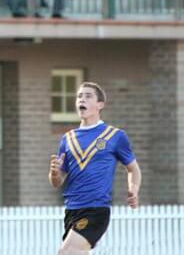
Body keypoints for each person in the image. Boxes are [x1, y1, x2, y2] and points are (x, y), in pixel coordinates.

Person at [49, 82, 142, 255]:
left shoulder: (115, 136)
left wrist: (133, 189)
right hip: (71, 210)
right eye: (79, 96)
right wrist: (54, 173)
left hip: (95, 209)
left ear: (100, 105)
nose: (81, 99)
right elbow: (57, 181)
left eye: (88, 96)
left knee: (66, 252)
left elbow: (133, 169)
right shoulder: (67, 139)